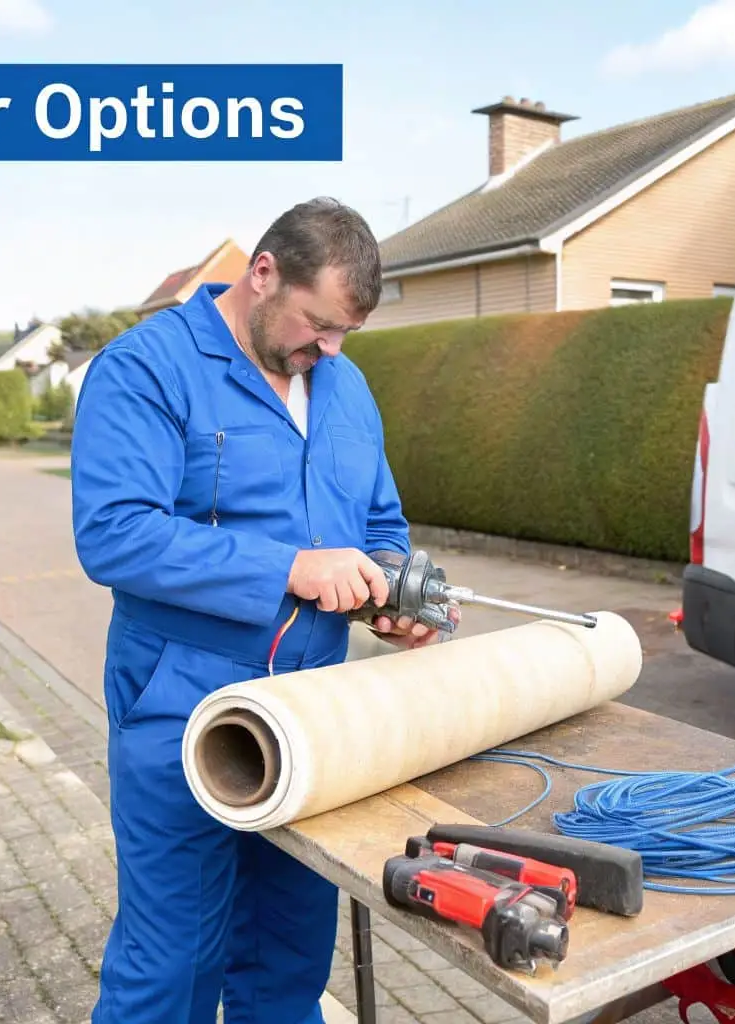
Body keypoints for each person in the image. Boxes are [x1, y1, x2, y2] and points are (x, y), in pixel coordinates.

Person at [69, 197, 449, 1024]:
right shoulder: (146, 369)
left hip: (311, 719)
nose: (331, 349)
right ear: (262, 274)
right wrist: (290, 568)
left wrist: (390, 589)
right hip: (182, 709)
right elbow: (115, 534)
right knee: (172, 961)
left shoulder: (343, 386)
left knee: (287, 957)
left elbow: (379, 523)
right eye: (319, 324)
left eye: (348, 332)